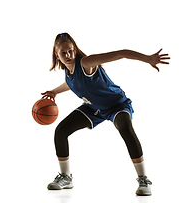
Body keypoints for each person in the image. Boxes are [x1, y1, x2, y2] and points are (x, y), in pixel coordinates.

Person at [41, 33, 170, 196]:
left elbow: (121, 53)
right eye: (63, 53)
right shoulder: (69, 71)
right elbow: (70, 83)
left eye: (71, 51)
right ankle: (66, 177)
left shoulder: (86, 62)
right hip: (93, 107)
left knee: (125, 128)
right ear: (56, 55)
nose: (68, 55)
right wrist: (54, 92)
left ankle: (144, 179)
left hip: (116, 104)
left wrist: (148, 59)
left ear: (75, 50)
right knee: (61, 131)